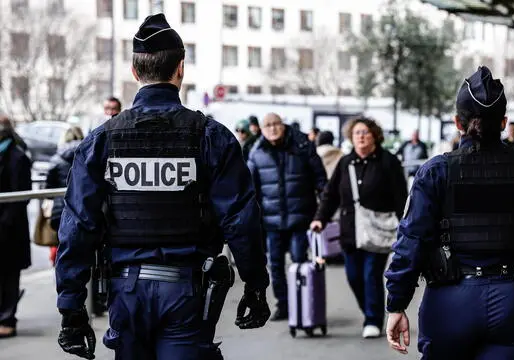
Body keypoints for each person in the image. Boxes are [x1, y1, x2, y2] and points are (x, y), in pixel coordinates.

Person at [55, 14, 270, 360]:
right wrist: (255, 284)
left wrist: (71, 307)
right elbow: (240, 220)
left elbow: (78, 226)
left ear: (135, 71)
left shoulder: (101, 141)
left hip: (125, 292)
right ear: (180, 68)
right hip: (185, 293)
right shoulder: (211, 137)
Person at [384, 66, 514, 359]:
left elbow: (411, 241)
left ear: (457, 123)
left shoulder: (436, 172)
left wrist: (397, 303)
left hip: (450, 302)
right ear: (503, 123)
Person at [311, 116, 407, 339]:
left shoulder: (388, 162)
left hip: (377, 231)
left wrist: (406, 226)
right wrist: (319, 218)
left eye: (365, 132)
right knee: (353, 277)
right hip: (350, 232)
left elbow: (401, 197)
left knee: (371, 275)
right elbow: (330, 194)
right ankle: (369, 312)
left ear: (375, 136)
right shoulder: (345, 163)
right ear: (351, 137)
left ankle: (373, 320)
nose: (361, 136)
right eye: (357, 133)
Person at [247, 113, 327, 321]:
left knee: (299, 261)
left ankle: (302, 302)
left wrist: (323, 210)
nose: (272, 129)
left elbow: (320, 178)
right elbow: (251, 190)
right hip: (272, 221)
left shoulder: (302, 145)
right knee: (275, 265)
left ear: (283, 125)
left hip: (300, 217)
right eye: (267, 126)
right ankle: (283, 305)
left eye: (275, 124)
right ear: (262, 130)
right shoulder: (256, 153)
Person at [0, 119, 32, 339]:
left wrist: (4, 223)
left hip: (8, 228)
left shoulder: (17, 156)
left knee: (9, 275)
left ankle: (6, 318)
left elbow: (21, 196)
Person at [45, 127, 84, 266]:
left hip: (59, 209)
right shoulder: (87, 154)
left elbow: (48, 186)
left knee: (61, 242)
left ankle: (60, 268)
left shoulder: (56, 158)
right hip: (81, 207)